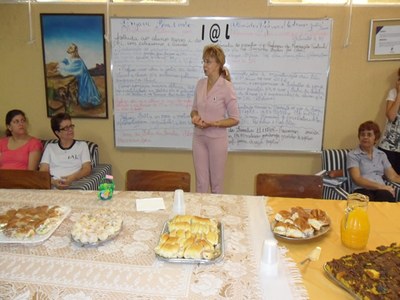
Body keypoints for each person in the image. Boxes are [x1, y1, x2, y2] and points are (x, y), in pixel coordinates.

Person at [190, 44, 240, 194]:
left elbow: (235, 118)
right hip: (199, 138)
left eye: (208, 62)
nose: (204, 65)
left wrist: (215, 124)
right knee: (201, 183)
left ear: (218, 64)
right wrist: (195, 118)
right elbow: (193, 110)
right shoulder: (200, 84)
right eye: (204, 61)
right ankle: (200, 215)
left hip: (217, 140)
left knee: (216, 184)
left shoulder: (226, 87)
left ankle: (214, 216)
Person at [347, 120, 400, 202]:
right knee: (365, 203)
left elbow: (393, 176)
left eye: (369, 134)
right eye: (362, 134)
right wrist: (381, 186)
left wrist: (382, 188)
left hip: (381, 190)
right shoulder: (353, 155)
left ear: (376, 137)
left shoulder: (381, 155)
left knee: (387, 200)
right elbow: (357, 179)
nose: (365, 137)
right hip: (362, 189)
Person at [39, 112, 91, 189]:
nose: (70, 130)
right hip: (52, 185)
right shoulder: (50, 148)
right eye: (66, 128)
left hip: (74, 184)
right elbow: (43, 171)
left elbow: (87, 169)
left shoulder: (82, 146)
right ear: (57, 133)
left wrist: (71, 178)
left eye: (71, 126)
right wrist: (54, 182)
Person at [48, 43, 101, 108]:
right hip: (78, 76)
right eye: (69, 47)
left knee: (85, 99)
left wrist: (61, 67)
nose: (69, 48)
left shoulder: (78, 61)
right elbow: (63, 62)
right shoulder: (69, 57)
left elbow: (70, 69)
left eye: (71, 48)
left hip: (83, 78)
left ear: (74, 51)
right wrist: (59, 66)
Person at [378, 67, 400, 173]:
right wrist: (399, 94)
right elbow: (391, 116)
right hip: (388, 146)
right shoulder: (393, 92)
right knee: (385, 178)